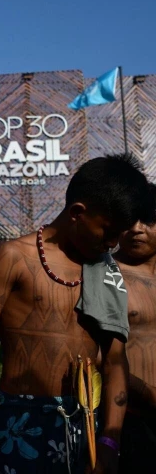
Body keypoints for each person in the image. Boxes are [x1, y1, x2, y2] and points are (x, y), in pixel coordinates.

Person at [0, 154, 154, 474]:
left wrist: (109, 441)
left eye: (118, 235)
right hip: (16, 427)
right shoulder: (13, 258)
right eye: (107, 231)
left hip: (86, 432)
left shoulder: (106, 272)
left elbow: (115, 360)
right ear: (78, 213)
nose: (112, 243)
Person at [113, 193, 156, 472]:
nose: (137, 228)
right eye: (128, 220)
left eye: (148, 220)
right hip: (131, 418)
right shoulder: (105, 273)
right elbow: (98, 353)